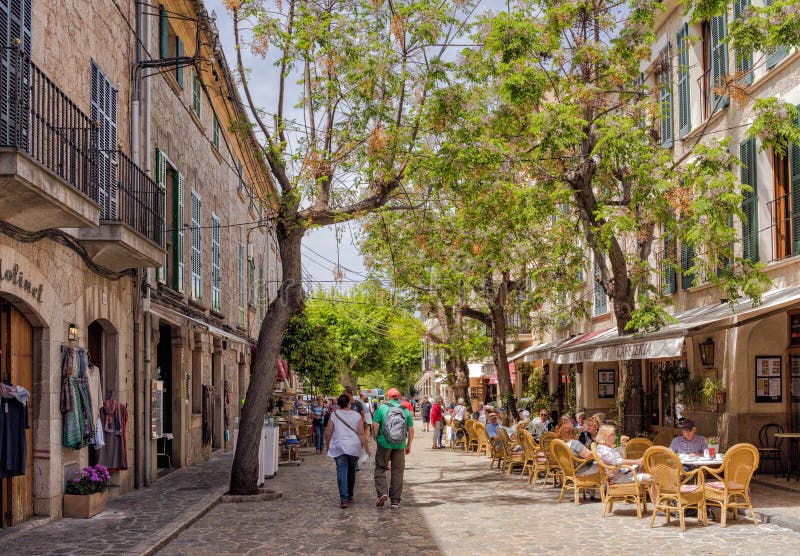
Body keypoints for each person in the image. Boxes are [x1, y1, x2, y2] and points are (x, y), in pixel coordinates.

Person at [373, 387, 414, 510]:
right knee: (397, 471)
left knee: (380, 467)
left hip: (384, 443)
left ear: (388, 397)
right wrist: (408, 445)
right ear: (399, 397)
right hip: (400, 444)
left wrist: (377, 438)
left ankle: (382, 493)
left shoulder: (382, 408)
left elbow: (375, 425)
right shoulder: (405, 410)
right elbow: (411, 430)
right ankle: (395, 501)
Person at [325, 393, 369, 508]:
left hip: (339, 446)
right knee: (351, 471)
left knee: (341, 471)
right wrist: (366, 447)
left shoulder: (334, 415)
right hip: (354, 446)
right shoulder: (357, 415)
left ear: (338, 403)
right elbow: (361, 432)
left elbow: (328, 433)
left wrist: (327, 446)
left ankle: (343, 499)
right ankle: (350, 496)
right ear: (349, 403)